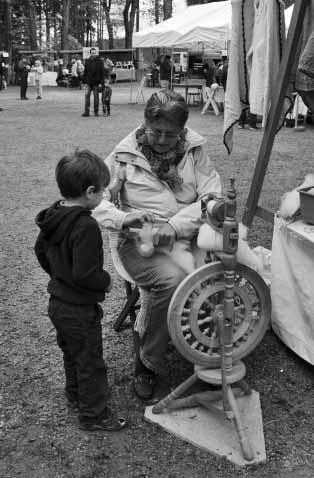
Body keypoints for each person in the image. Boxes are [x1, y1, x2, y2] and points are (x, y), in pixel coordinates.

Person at [93, 90, 222, 401]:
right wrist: (126, 220)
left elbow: (212, 195)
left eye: (171, 134)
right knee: (173, 281)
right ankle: (147, 363)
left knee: (221, 273)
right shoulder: (124, 155)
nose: (164, 140)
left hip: (188, 234)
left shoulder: (193, 151)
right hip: (140, 240)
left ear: (183, 131)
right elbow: (96, 201)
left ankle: (205, 352)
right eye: (157, 132)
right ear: (145, 123)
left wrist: (175, 226)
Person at [34, 149, 127, 432]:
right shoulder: (85, 225)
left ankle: (75, 393)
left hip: (58, 302)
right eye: (102, 192)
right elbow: (86, 274)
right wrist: (106, 281)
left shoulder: (54, 215)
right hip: (78, 308)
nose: (103, 197)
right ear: (89, 192)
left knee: (72, 352)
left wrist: (58, 275)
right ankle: (94, 414)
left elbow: (40, 250)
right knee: (90, 361)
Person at [81, 48, 105, 117]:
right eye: (92, 53)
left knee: (96, 98)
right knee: (87, 97)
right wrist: (84, 82)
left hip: (96, 83)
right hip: (88, 83)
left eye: (94, 53)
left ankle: (96, 112)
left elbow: (102, 73)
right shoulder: (87, 61)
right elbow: (85, 72)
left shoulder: (100, 61)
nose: (93, 54)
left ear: (96, 53)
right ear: (90, 53)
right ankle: (86, 112)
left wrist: (101, 83)